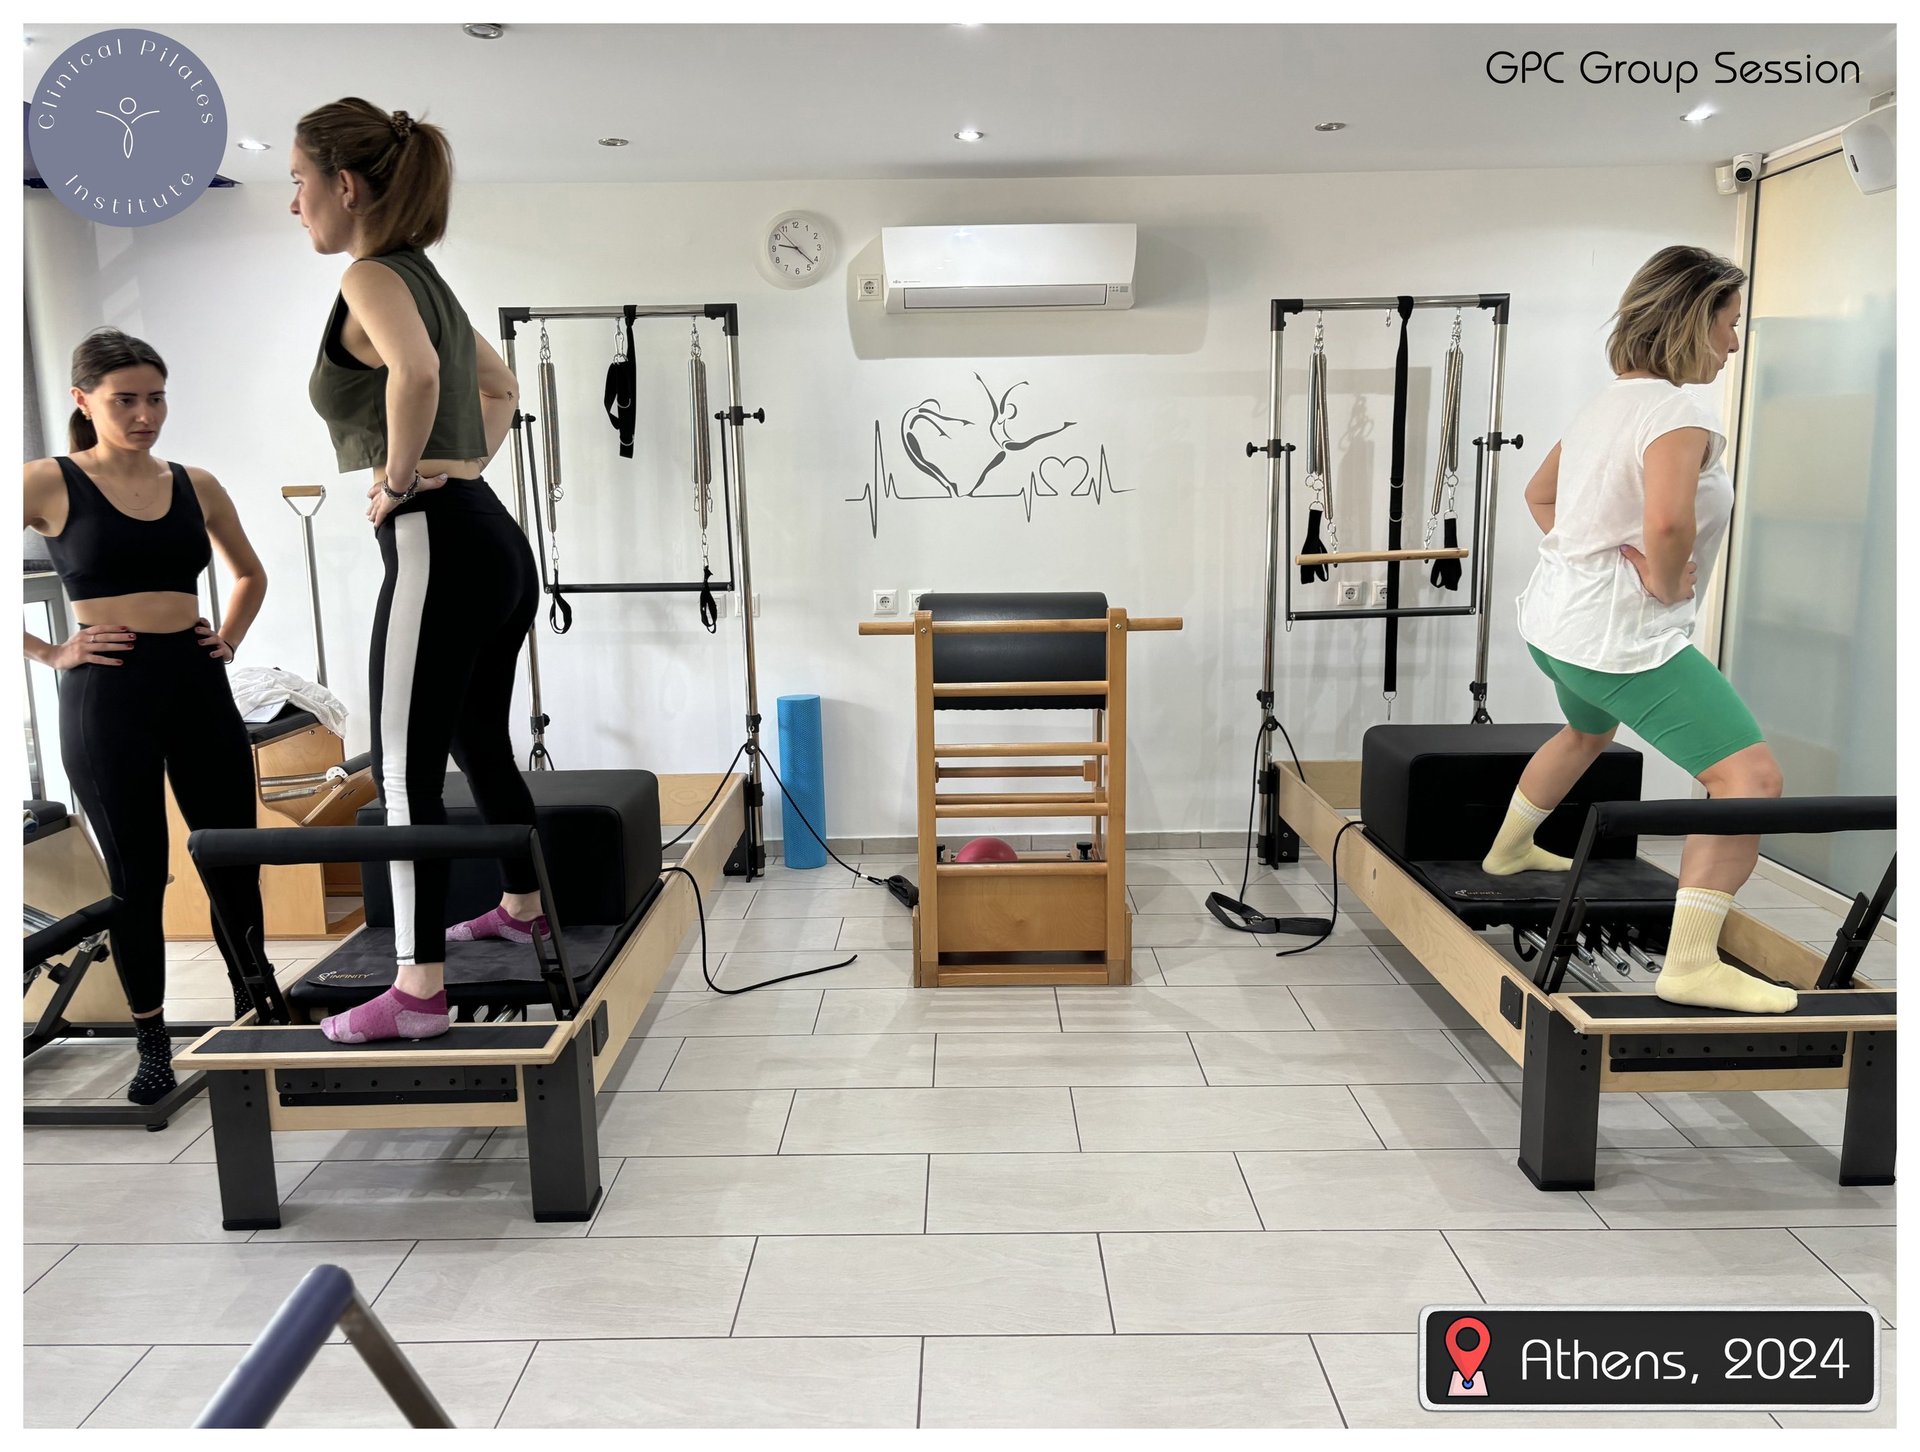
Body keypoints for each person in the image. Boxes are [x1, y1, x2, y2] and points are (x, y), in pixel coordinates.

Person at [1485, 244, 1791, 1015]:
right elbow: (1666, 519)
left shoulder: (1608, 402)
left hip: (1556, 626)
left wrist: (1599, 556)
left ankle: (1509, 847)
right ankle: (1691, 965)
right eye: (1729, 321)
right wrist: (1656, 576)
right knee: (1749, 781)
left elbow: (1540, 495)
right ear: (1693, 321)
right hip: (1619, 641)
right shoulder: (1678, 410)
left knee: (1587, 736)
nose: (1733, 340)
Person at [292, 97, 541, 1044]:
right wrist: (462, 466)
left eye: (299, 182)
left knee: (402, 768)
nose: (296, 203)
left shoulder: (369, 276)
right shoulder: (428, 279)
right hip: (490, 535)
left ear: (344, 185)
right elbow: (500, 387)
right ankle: (522, 908)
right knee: (478, 734)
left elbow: (422, 378)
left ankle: (418, 991)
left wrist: (399, 482)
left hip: (439, 537)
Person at [22, 328, 270, 1102]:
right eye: (125, 399)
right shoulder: (47, 480)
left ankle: (256, 1010)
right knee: (139, 876)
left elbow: (250, 573)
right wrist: (50, 651)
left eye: (154, 398)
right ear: (83, 401)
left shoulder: (196, 483)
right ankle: (153, 1043)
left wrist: (225, 639)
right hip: (108, 693)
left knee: (232, 853)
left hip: (195, 684)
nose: (143, 414)